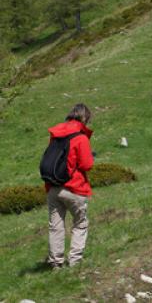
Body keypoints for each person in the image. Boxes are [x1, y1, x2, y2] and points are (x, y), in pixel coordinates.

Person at [46, 104, 94, 268]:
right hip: (74, 188)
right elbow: (87, 164)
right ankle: (74, 261)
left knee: (55, 226)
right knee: (80, 223)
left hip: (53, 187)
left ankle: (56, 263)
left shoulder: (55, 134)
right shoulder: (80, 137)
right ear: (84, 118)